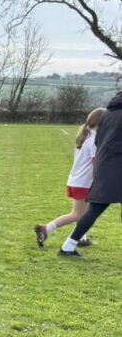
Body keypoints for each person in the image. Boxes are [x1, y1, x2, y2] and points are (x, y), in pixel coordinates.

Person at [58, 92, 122, 258]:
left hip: (104, 168)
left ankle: (68, 246)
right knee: (93, 210)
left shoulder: (107, 115)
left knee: (94, 209)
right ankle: (68, 247)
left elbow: (98, 142)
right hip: (116, 169)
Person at [34, 107, 102, 250]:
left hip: (77, 180)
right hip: (83, 182)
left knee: (85, 212)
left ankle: (81, 238)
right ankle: (45, 228)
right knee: (76, 214)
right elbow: (96, 163)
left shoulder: (86, 135)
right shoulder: (94, 139)